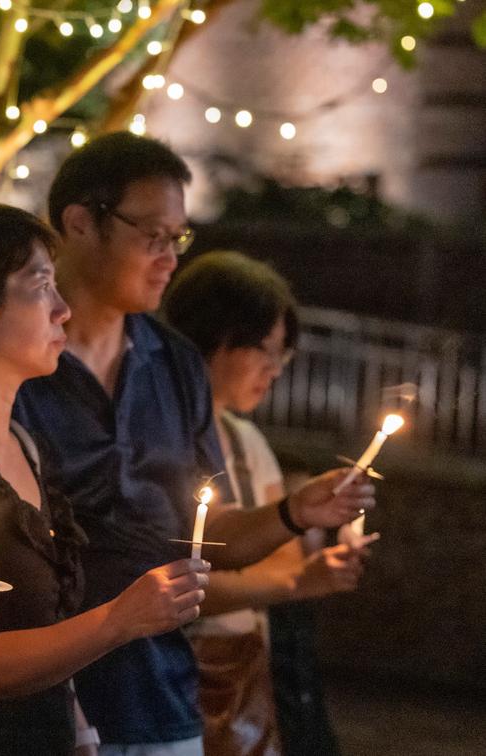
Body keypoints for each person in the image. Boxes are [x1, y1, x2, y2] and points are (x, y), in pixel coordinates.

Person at [12, 132, 375, 756]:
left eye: (178, 239)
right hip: (43, 704)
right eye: (153, 236)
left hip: (166, 701)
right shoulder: (17, 359)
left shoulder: (173, 361)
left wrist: (293, 513)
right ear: (78, 223)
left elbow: (208, 534)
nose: (169, 258)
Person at [0, 203, 211, 755]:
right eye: (41, 286)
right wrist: (120, 618)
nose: (63, 310)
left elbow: (43, 617)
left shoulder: (22, 445)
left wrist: (77, 724)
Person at [163, 251, 369, 755]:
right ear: (212, 336)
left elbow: (278, 560)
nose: (274, 370)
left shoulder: (247, 442)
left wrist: (304, 569)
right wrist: (296, 581)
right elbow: (179, 581)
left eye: (284, 356)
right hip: (174, 673)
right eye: (264, 350)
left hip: (244, 674)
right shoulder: (159, 437)